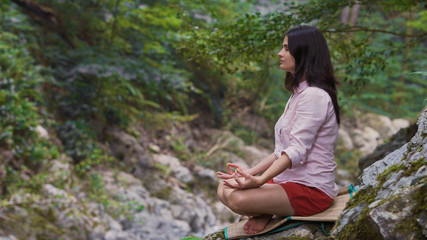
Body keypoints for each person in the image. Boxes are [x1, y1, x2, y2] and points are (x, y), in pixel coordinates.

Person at [216, 25, 341, 235]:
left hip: (311, 189)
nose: (279, 53)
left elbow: (296, 151)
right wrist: (251, 172)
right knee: (224, 189)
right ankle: (268, 209)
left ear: (304, 54)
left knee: (237, 198)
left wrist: (260, 180)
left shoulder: (314, 96)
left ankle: (268, 209)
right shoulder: (298, 93)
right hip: (288, 181)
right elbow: (281, 150)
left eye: (286, 48)